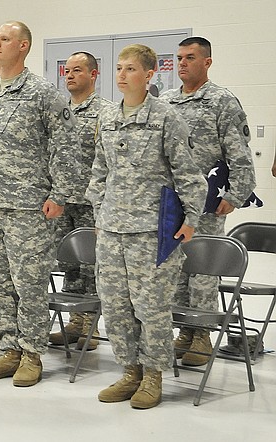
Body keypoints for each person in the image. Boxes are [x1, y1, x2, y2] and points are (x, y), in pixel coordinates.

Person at [86, 44, 205, 409]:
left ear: (149, 74)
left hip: (152, 231)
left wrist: (191, 219)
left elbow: (190, 175)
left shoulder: (166, 118)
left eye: (131, 69)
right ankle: (130, 371)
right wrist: (99, 209)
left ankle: (153, 376)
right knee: (116, 304)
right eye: (119, 68)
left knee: (150, 307)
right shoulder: (107, 118)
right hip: (112, 229)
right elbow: (100, 172)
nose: (122, 75)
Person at [0, 21, 76, 387]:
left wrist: (59, 195)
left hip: (29, 207)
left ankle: (32, 353)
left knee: (29, 284)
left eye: (4, 40)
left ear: (23, 46)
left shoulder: (42, 92)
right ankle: (9, 349)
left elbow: (66, 145)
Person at [159, 37, 257, 366]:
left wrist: (235, 194)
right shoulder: (167, 102)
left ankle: (201, 334)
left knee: (202, 270)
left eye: (190, 58)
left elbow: (239, 154)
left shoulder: (222, 101)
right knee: (175, 268)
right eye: (179, 58)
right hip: (173, 201)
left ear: (207, 62)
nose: (182, 63)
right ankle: (183, 331)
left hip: (207, 202)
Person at [47, 51, 112, 351]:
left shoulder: (106, 112)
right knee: (69, 263)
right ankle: (74, 321)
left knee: (91, 266)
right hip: (62, 199)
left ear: (93, 74)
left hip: (90, 201)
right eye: (67, 71)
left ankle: (91, 325)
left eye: (77, 70)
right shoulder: (58, 110)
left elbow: (108, 161)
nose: (70, 76)